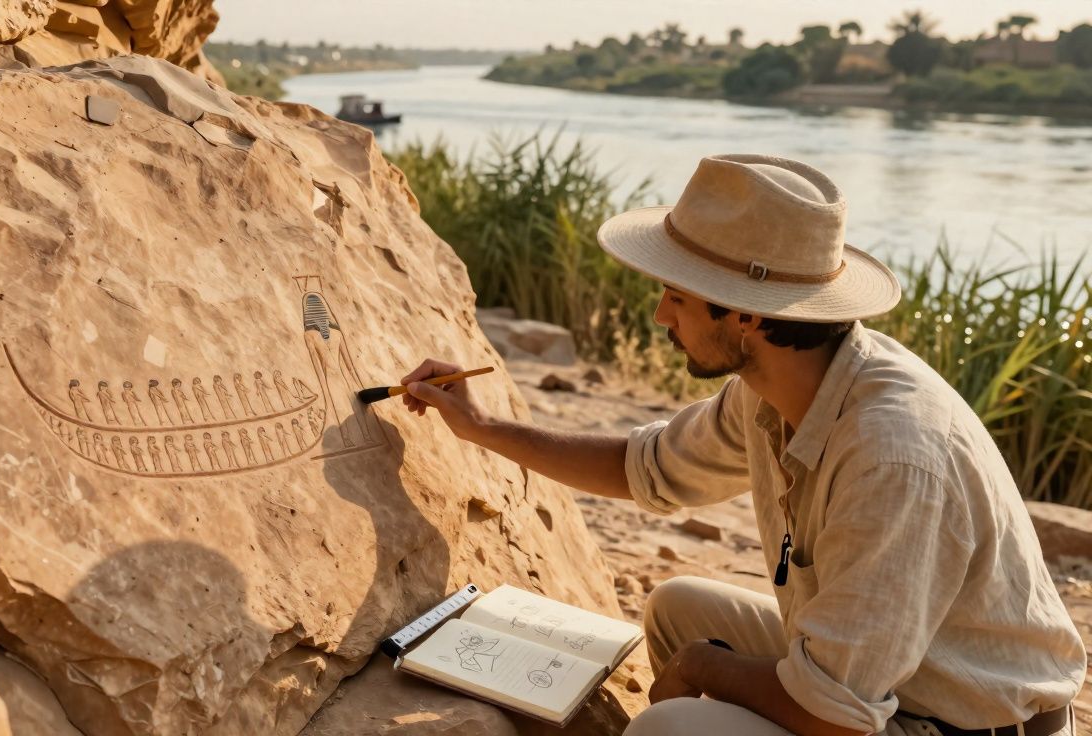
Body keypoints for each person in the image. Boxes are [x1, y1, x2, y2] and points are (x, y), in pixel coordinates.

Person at [402, 154, 1084, 736]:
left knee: (668, 726)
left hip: (969, 725)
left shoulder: (892, 456)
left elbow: (838, 717)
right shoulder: (777, 385)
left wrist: (705, 669)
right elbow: (645, 467)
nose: (660, 315)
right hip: (894, 680)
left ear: (748, 314)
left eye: (675, 295)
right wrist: (483, 429)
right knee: (677, 607)